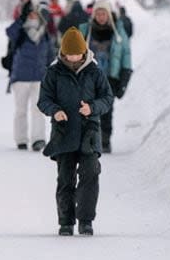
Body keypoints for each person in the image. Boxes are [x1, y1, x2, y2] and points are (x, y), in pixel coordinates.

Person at [38, 27, 113, 236]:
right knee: (65, 179)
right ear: (62, 53)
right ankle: (66, 222)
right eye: (69, 54)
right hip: (64, 133)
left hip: (89, 132)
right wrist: (55, 111)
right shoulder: (53, 72)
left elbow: (107, 98)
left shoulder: (95, 71)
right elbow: (43, 100)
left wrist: (92, 108)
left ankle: (86, 221)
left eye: (77, 53)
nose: (73, 58)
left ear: (84, 51)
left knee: (90, 175)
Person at [79, 0, 132, 153]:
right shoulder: (85, 31)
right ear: (94, 14)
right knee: (87, 109)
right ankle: (89, 139)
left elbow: (126, 54)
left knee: (106, 110)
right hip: (88, 77)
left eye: (104, 13)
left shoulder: (118, 32)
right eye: (98, 13)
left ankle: (105, 139)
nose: (101, 16)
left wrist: (124, 77)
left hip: (109, 78)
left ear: (109, 14)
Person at [6, 0, 55, 151]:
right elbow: (9, 32)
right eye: (30, 13)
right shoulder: (19, 31)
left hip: (39, 77)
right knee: (21, 110)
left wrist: (47, 70)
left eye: (36, 13)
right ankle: (21, 139)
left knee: (38, 109)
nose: (33, 16)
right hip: (20, 77)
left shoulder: (44, 33)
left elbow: (50, 55)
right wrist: (20, 19)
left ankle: (38, 139)